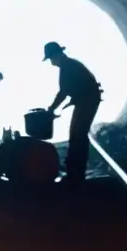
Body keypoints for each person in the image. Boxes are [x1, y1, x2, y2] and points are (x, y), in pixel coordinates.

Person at [43, 41, 103, 184]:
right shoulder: (69, 65)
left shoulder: (68, 67)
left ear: (57, 55)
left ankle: (76, 174)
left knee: (78, 135)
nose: (52, 63)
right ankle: (75, 171)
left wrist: (51, 108)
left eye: (51, 58)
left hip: (88, 100)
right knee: (77, 134)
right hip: (86, 99)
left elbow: (63, 92)